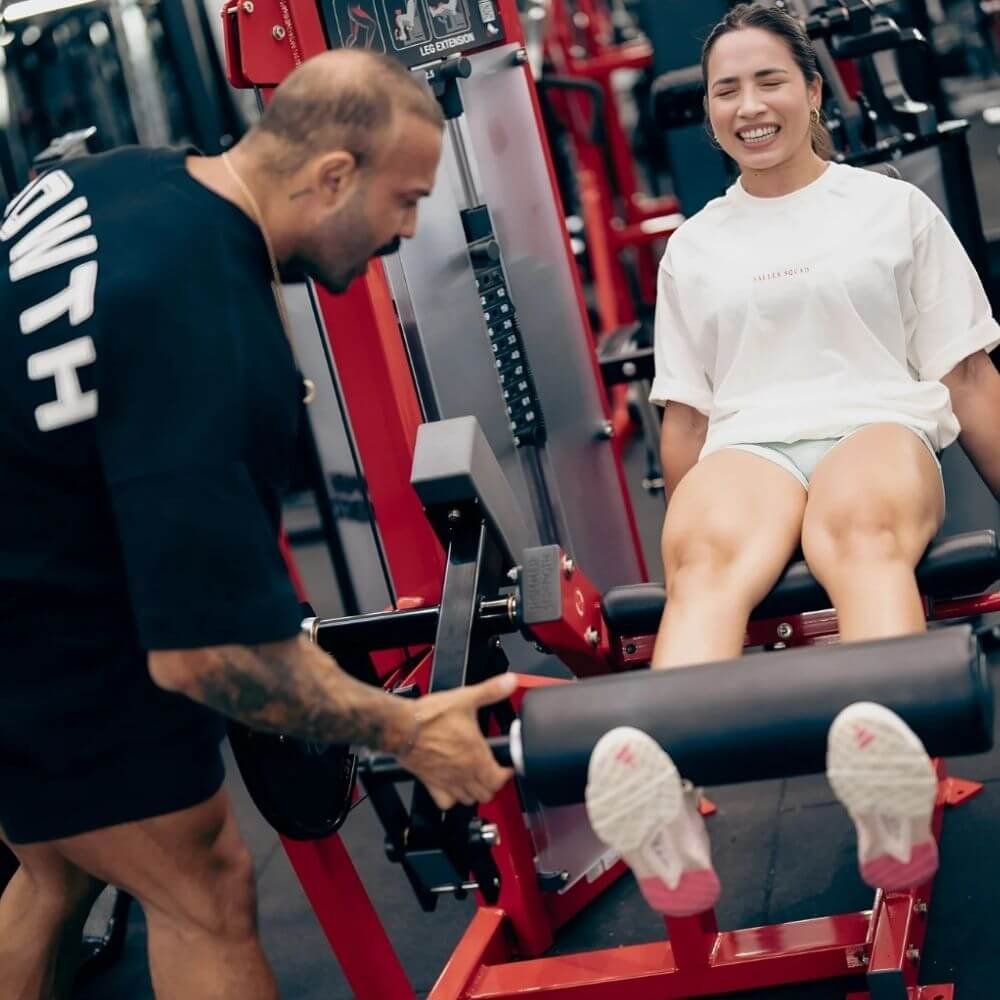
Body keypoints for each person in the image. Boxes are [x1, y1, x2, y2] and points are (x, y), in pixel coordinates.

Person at [0, 49, 516, 1000]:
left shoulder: (117, 177)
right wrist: (405, 728)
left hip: (40, 557)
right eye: (405, 201)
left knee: (58, 872)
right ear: (334, 176)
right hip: (45, 640)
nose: (407, 230)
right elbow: (210, 659)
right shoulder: (211, 340)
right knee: (205, 891)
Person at [584, 2, 1000, 918]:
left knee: (859, 533)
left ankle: (891, 784)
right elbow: (686, 417)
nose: (749, 106)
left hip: (876, 425)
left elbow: (968, 376)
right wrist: (681, 546)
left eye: (769, 81)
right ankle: (667, 800)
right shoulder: (694, 246)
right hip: (748, 446)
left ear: (813, 91)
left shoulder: (892, 208)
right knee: (709, 561)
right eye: (726, 90)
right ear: (709, 113)